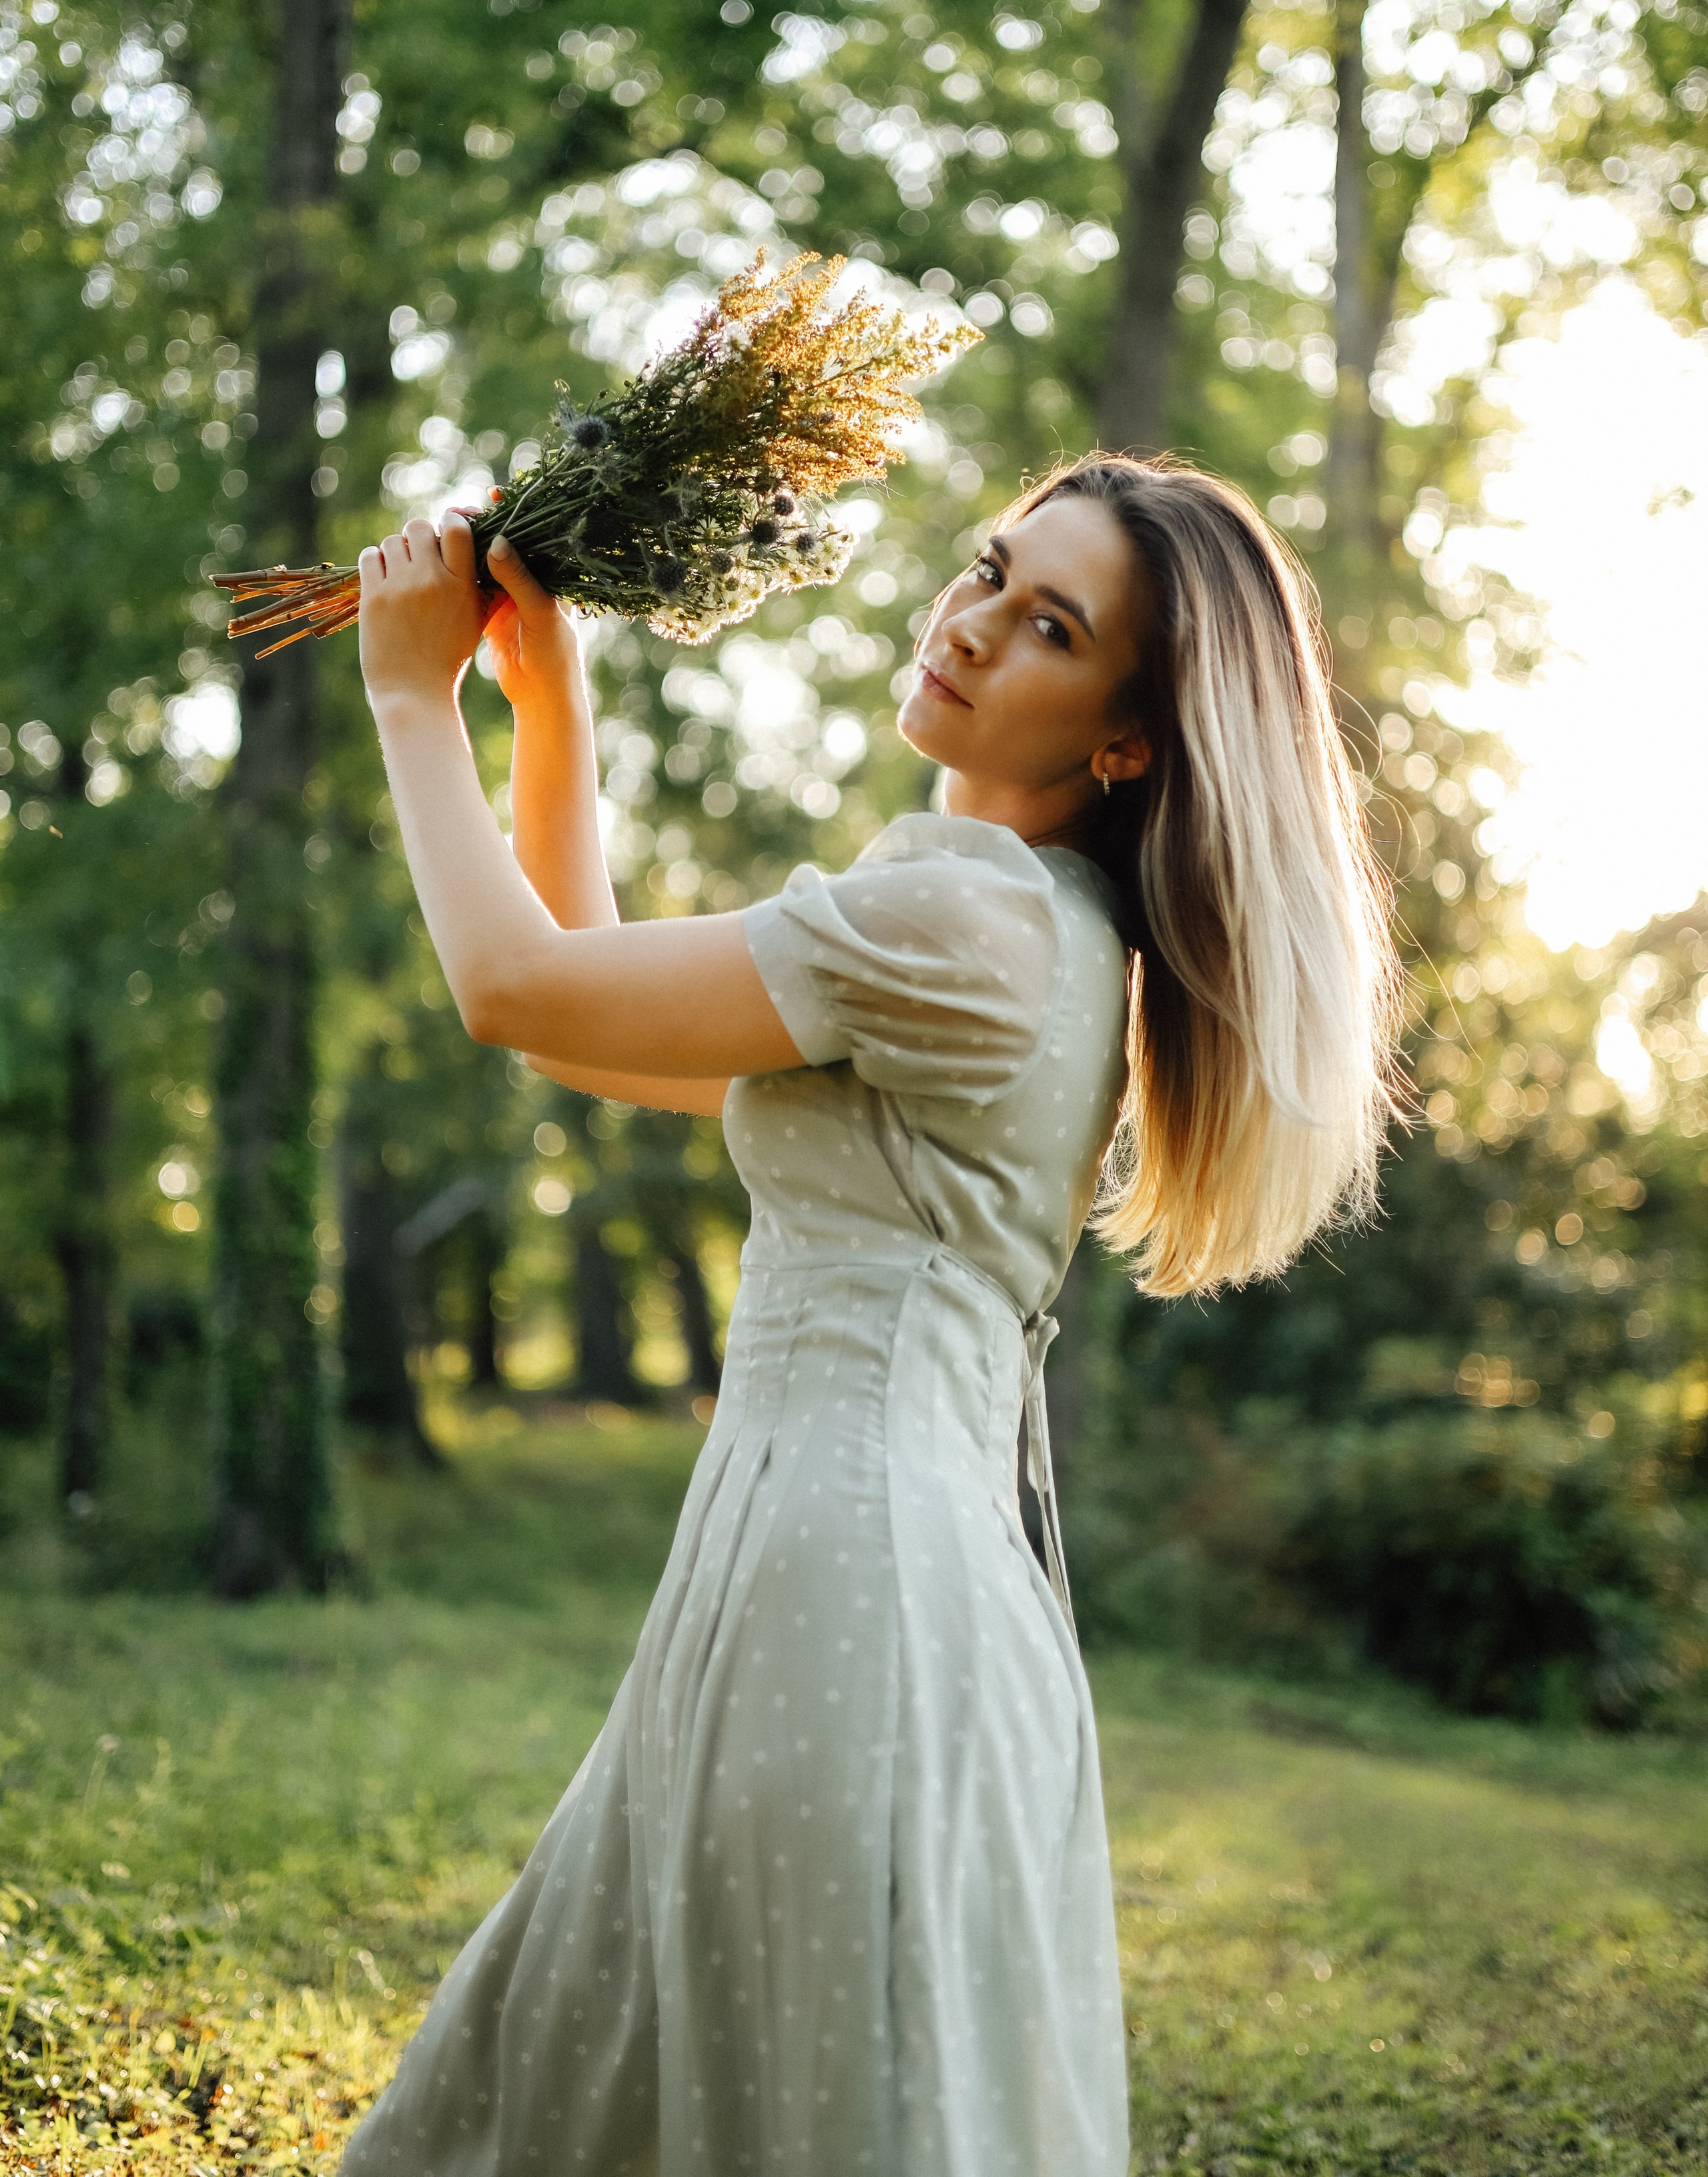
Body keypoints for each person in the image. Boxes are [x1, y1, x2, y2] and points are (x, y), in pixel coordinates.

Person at [339, 452, 1401, 2177]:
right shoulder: (1028, 933)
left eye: (1050, 627)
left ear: (1125, 741)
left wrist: (408, 696)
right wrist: (549, 709)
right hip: (830, 1571)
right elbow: (590, 1020)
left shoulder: (971, 921)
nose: (971, 624)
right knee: (622, 2065)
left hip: (853, 1589)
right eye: (990, 571)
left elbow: (511, 986)